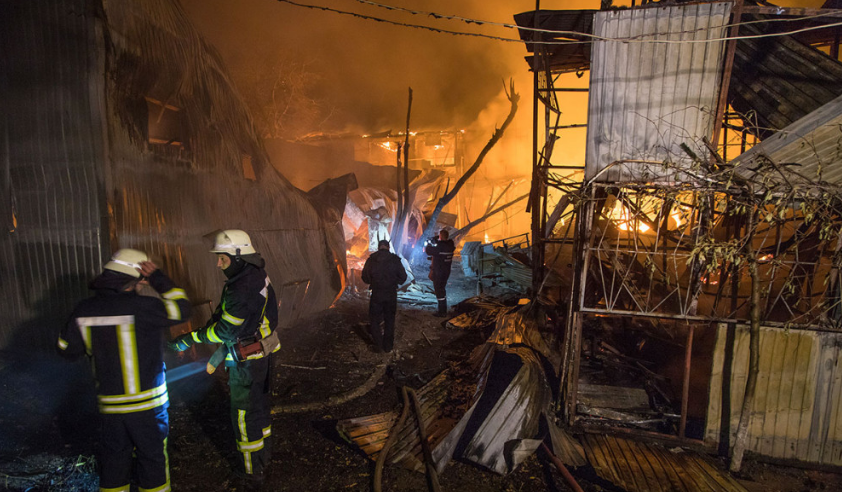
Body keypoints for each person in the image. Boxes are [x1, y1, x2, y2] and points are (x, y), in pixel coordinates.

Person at [58, 248, 191, 492]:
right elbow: (182, 309)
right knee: (152, 461)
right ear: (135, 279)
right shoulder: (146, 307)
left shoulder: (84, 310)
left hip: (110, 406)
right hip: (148, 407)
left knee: (114, 463)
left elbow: (65, 348)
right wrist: (158, 278)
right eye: (141, 280)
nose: (142, 284)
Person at [169, 230, 279, 485]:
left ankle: (251, 473)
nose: (218, 264)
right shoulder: (256, 274)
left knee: (243, 415)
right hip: (263, 351)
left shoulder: (241, 287)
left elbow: (225, 331)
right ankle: (264, 457)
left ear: (238, 256)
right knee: (259, 407)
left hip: (247, 360)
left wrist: (188, 339)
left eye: (223, 259)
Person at [361, 239, 407, 353]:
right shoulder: (395, 260)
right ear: (388, 247)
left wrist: (374, 281)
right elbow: (403, 277)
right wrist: (393, 282)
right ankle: (388, 346)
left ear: (378, 247)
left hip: (377, 293)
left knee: (374, 319)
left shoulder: (371, 259)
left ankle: (378, 344)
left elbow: (365, 278)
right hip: (391, 293)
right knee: (390, 319)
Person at [425, 229, 455, 317]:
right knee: (442, 289)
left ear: (440, 236)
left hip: (439, 272)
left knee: (439, 290)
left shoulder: (440, 247)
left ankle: (442, 312)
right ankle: (443, 308)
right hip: (446, 271)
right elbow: (440, 254)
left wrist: (430, 242)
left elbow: (428, 250)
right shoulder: (450, 245)